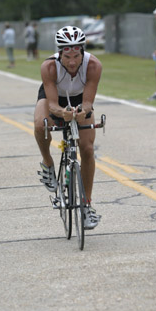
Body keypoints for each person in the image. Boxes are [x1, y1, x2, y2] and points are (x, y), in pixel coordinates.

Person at [34, 26, 102, 229]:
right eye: (67, 56)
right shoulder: (49, 67)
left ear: (82, 51)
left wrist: (83, 111)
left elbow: (88, 102)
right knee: (41, 124)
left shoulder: (93, 65)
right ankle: (48, 163)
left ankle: (87, 206)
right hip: (54, 96)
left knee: (88, 149)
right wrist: (61, 113)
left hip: (80, 97)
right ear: (60, 53)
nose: (72, 62)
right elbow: (53, 104)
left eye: (76, 56)